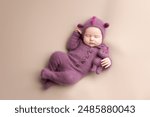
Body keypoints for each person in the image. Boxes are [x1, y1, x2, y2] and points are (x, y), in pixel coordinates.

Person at [41, 16, 112, 89]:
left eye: (96, 37)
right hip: (67, 60)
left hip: (76, 72)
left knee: (70, 79)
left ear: (102, 37)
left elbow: (102, 63)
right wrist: (75, 34)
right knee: (57, 55)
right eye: (88, 36)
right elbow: (69, 47)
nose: (91, 39)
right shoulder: (80, 42)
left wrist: (108, 62)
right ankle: (49, 71)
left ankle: (49, 76)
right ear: (83, 35)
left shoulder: (102, 50)